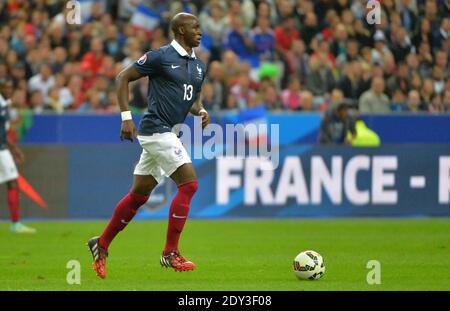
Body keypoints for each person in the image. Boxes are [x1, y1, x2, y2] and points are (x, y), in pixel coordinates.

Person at [87, 13, 210, 279]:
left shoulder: (199, 67)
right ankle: (170, 252)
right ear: (180, 30)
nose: (200, 31)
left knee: (139, 196)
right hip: (156, 130)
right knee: (189, 184)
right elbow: (122, 78)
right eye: (194, 27)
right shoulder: (160, 57)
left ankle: (102, 243)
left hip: (169, 134)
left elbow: (193, 99)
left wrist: (200, 111)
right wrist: (126, 117)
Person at [0, 78, 36, 233]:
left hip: (3, 148)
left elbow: (4, 133)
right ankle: (15, 224)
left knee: (12, 182)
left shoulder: (5, 106)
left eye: (10, 88)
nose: (8, 91)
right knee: (13, 182)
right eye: (5, 88)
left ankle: (16, 224)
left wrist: (15, 150)